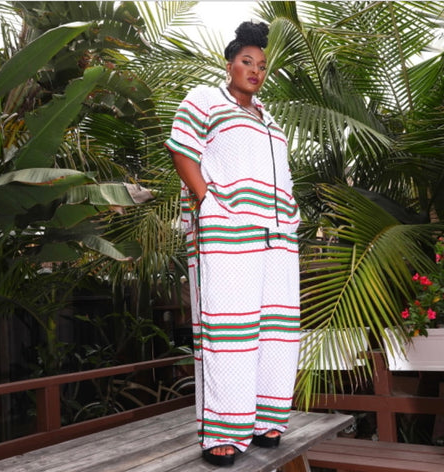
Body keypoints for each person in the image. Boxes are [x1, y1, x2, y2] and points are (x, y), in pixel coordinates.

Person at [165, 21, 301, 467]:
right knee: (228, 329)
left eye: (261, 65)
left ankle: (266, 419)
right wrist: (207, 201)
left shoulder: (270, 120)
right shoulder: (206, 99)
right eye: (247, 61)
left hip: (278, 237)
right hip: (228, 232)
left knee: (277, 330)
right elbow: (181, 147)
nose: (255, 70)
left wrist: (290, 216)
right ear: (230, 65)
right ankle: (223, 430)